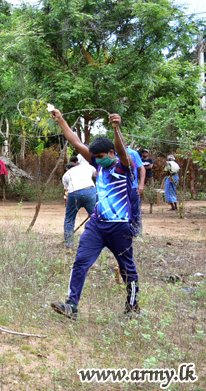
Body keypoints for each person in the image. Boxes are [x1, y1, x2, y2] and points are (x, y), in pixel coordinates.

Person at [49, 110, 140, 320]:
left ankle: (132, 306)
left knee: (127, 268)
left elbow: (122, 150)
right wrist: (61, 119)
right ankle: (71, 306)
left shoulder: (125, 166)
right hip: (97, 225)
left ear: (110, 153)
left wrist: (116, 128)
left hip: (120, 227)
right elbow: (76, 142)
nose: (97, 161)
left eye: (100, 157)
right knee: (81, 261)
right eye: (95, 158)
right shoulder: (99, 164)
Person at [61, 156, 97, 249]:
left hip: (73, 193)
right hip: (89, 191)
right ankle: (102, 244)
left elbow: (67, 188)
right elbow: (99, 176)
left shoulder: (66, 174)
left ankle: (68, 245)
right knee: (97, 217)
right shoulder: (89, 167)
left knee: (69, 219)